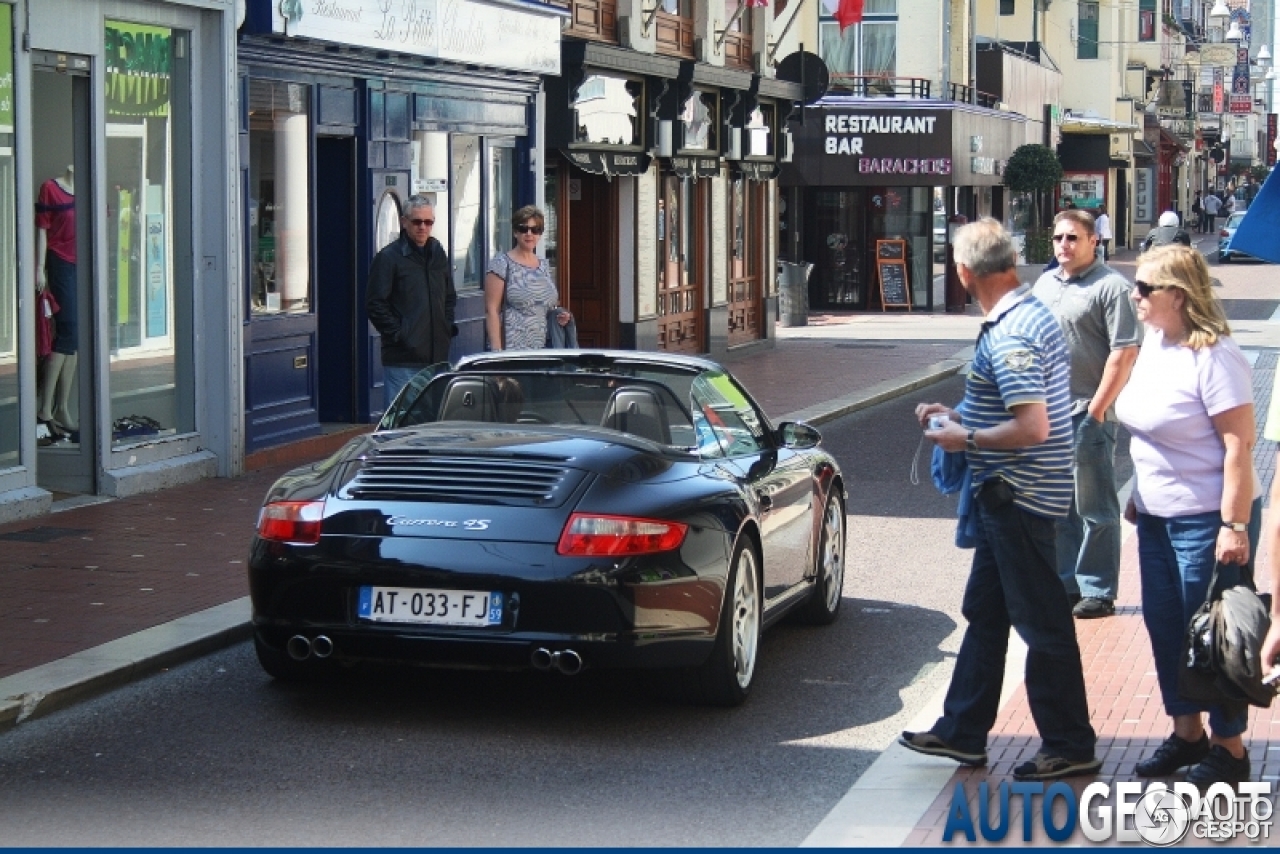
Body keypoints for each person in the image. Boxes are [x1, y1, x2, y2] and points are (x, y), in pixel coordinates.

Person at [901, 218, 1100, 782]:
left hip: (1019, 496)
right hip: (1012, 495)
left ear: (965, 272)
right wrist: (960, 412)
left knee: (1043, 623)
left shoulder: (1010, 331)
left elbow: (1033, 425)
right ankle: (963, 730)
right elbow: (1022, 403)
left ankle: (1069, 742)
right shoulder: (1029, 311)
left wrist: (965, 437)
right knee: (986, 614)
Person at [1113, 244, 1261, 786]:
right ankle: (1187, 734)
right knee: (1167, 629)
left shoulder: (1215, 356)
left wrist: (1234, 525)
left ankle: (1230, 749)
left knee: (1214, 638)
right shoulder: (1156, 342)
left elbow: (1238, 446)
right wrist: (1140, 492)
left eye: (1145, 288)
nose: (1136, 296)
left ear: (1177, 295)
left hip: (1207, 519)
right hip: (1155, 515)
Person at [1032, 209, 1141, 619]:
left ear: (1094, 241)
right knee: (1057, 507)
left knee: (1094, 507)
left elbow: (1124, 352)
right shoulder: (1045, 283)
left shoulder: (1112, 287)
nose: (1064, 245)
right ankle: (1066, 583)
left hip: (1087, 413)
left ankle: (1097, 589)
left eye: (1073, 238)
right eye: (1059, 238)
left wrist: (1097, 411)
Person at [366, 196, 457, 409]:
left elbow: (449, 297)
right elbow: (375, 303)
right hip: (403, 360)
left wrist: (446, 327)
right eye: (417, 222)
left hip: (437, 358)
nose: (423, 227)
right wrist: (401, 335)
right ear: (404, 221)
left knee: (432, 421)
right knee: (402, 424)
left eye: (428, 222)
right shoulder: (388, 258)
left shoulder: (437, 253)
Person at [484, 205, 572, 352]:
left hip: (545, 350)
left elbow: (546, 308)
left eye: (535, 230)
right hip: (513, 351)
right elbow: (491, 310)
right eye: (524, 229)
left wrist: (560, 317)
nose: (529, 234)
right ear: (515, 232)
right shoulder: (501, 264)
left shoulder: (544, 266)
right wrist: (496, 352)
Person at [35, 166, 78, 441]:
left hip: (83, 264)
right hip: (60, 263)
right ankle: (44, 409)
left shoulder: (87, 187)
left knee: (74, 338)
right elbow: (42, 228)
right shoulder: (50, 188)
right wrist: (40, 267)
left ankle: (61, 407)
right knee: (67, 331)